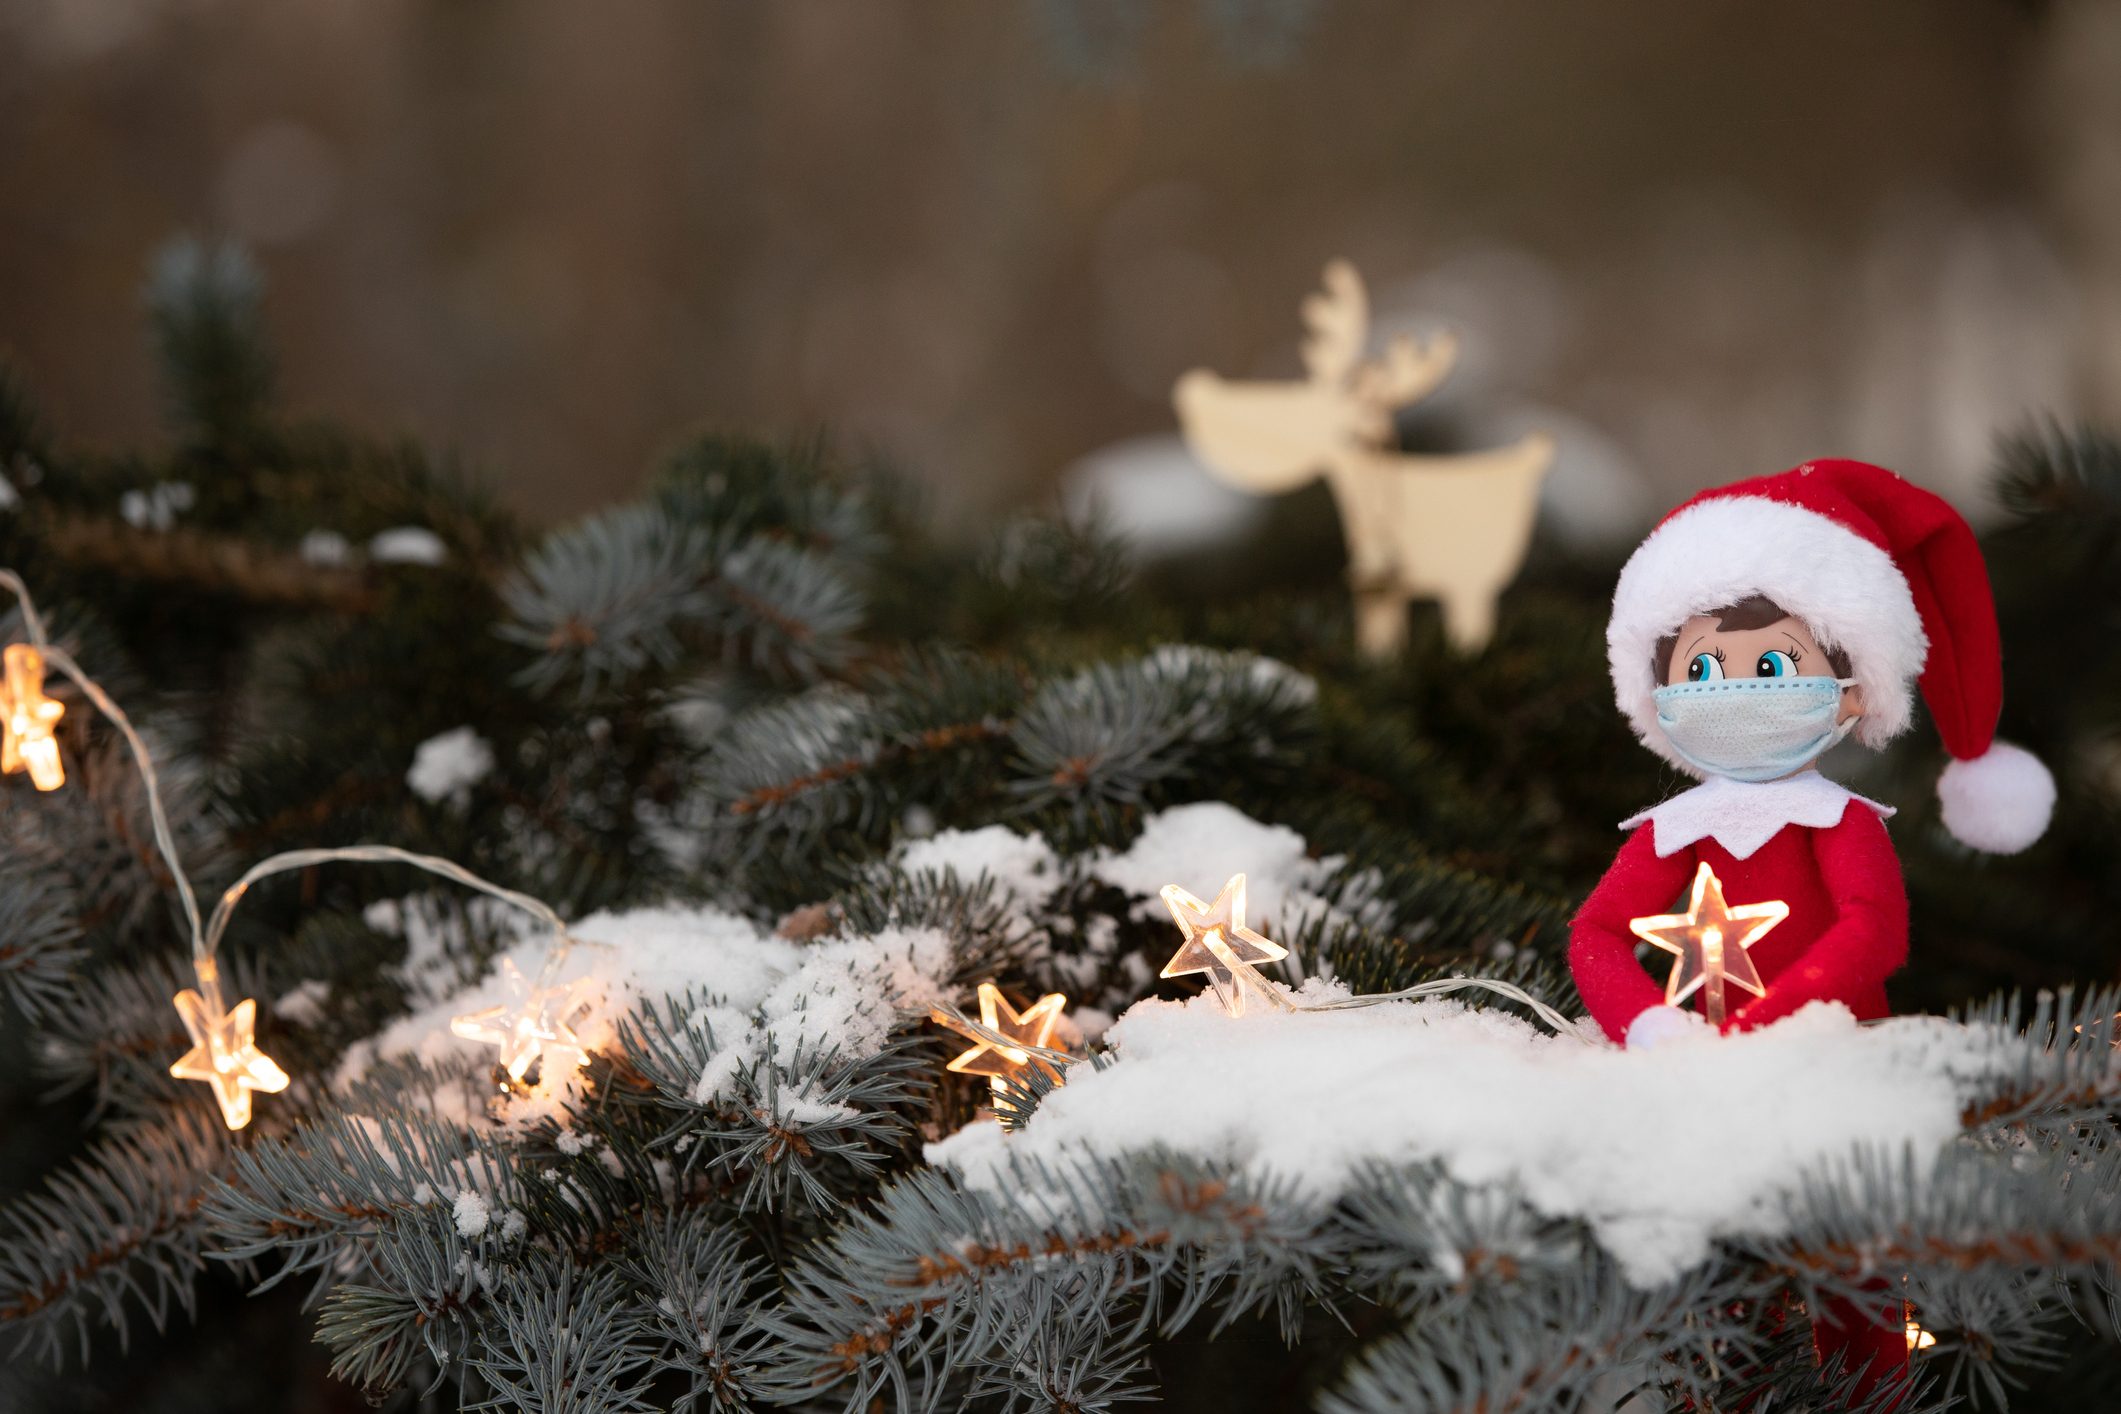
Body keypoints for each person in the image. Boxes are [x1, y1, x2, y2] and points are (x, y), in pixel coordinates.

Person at [1567, 457, 2056, 1393]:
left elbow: (1874, 937)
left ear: (1849, 689)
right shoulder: (1674, 830)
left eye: (1771, 663)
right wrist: (1654, 1025)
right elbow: (1593, 936)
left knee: (1856, 1284)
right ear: (1655, 689)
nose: (1729, 687)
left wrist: (1754, 1028)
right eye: (1700, 667)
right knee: (1724, 1300)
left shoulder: (1840, 823)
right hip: (1704, 1097)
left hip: (1836, 1079)